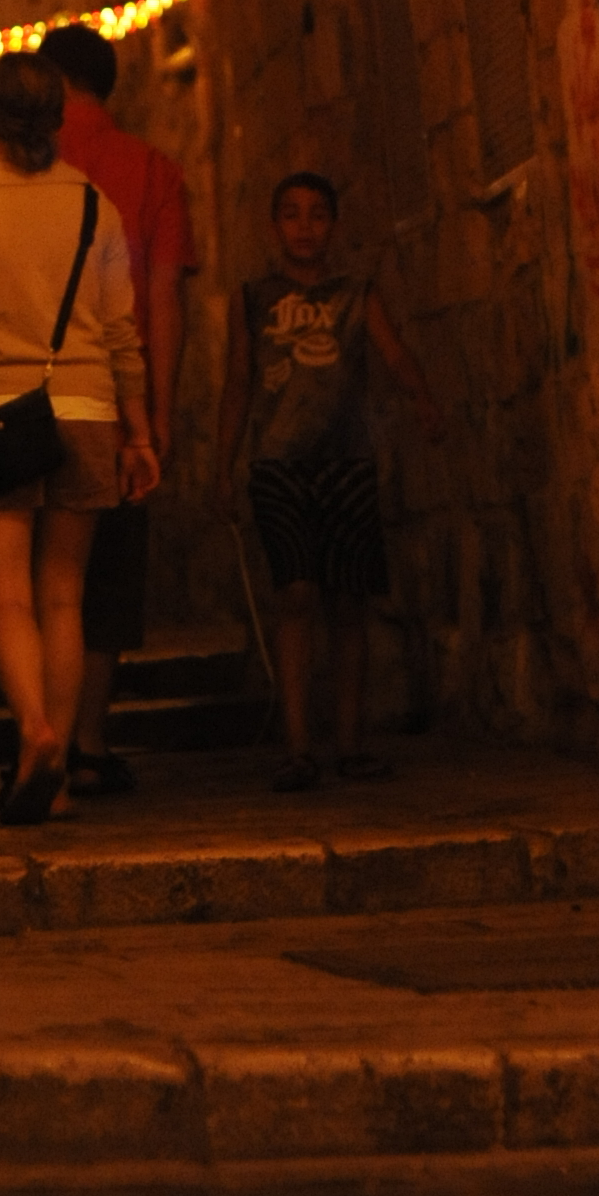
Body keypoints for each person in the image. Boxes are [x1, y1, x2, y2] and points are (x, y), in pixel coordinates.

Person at [0, 52, 157, 825]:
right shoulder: (95, 206)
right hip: (85, 409)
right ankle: (66, 764)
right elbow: (122, 333)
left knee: (7, 597)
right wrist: (138, 434)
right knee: (64, 595)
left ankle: (34, 735)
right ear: (58, 118)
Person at [215, 168, 444, 794]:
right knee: (295, 595)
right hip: (277, 462)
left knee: (348, 602)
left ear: (334, 226)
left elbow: (393, 352)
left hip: (347, 460)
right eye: (291, 214)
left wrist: (423, 400)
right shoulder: (252, 299)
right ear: (273, 226)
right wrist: (223, 463)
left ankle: (348, 743)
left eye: (317, 215)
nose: (305, 227)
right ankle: (297, 746)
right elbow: (238, 383)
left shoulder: (355, 293)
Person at [35, 20, 192, 800]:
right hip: (110, 403)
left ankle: (39, 738)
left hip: (20, 404)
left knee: (36, 582)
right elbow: (162, 302)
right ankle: (89, 740)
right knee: (107, 584)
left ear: (53, 84)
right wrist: (158, 417)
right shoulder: (152, 172)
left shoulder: (3, 172)